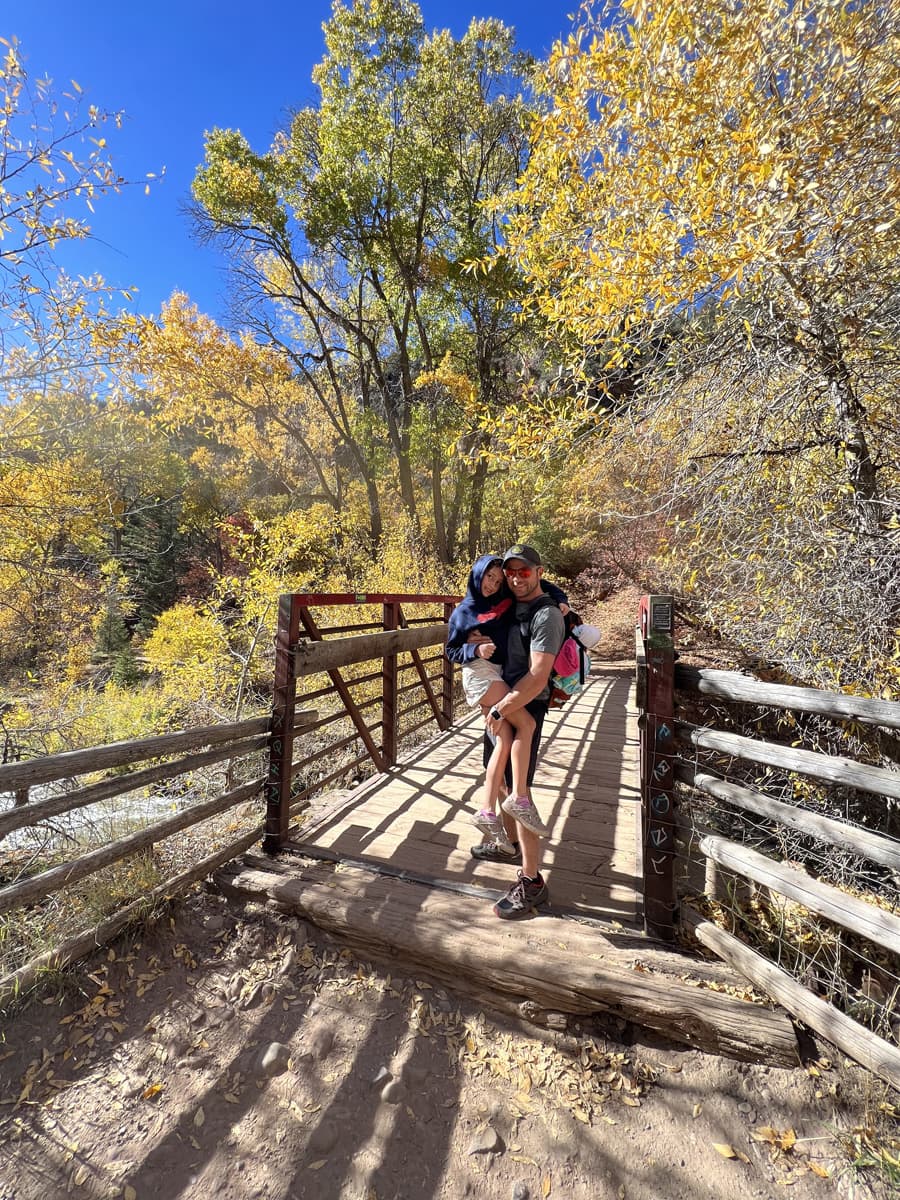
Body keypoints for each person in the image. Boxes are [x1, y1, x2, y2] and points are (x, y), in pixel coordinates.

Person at [445, 555, 568, 855]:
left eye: (498, 580)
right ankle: (518, 800)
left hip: (498, 676)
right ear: (477, 576)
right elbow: (450, 650)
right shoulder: (463, 612)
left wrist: (562, 599)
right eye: (489, 577)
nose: (494, 584)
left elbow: (535, 584)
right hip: (481, 675)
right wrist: (474, 647)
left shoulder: (504, 600)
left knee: (504, 737)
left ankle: (489, 813)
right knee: (524, 723)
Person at [473, 544, 566, 919]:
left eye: (523, 572)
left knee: (517, 789)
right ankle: (507, 843)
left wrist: (501, 706)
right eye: (510, 571)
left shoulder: (546, 616)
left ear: (539, 572)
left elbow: (539, 675)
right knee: (494, 776)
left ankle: (532, 883)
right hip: (504, 702)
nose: (514, 578)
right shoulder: (513, 602)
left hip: (523, 703)